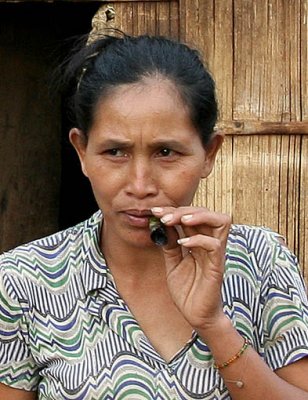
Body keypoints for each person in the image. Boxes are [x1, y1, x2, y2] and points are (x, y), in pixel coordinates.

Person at [0, 33, 308, 400]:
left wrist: (215, 327)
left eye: (166, 151)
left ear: (209, 153)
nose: (140, 184)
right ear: (81, 152)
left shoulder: (259, 261)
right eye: (115, 151)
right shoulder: (25, 280)